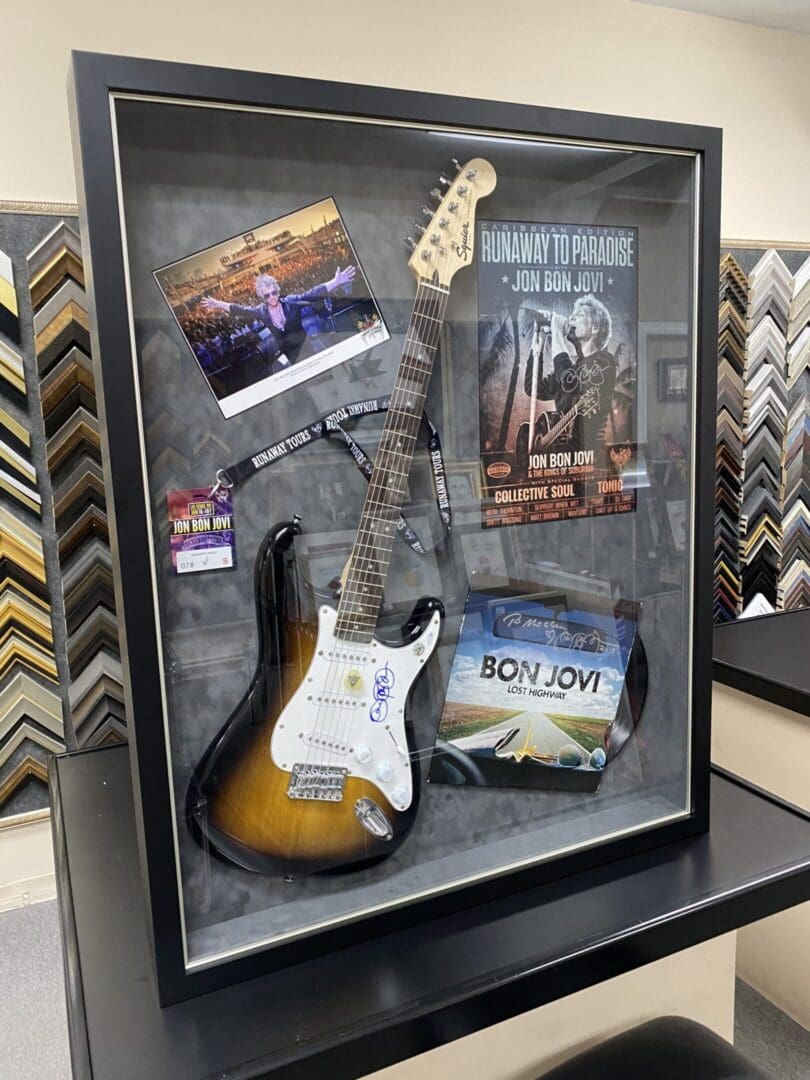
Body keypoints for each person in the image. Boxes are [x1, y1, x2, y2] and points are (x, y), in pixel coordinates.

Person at [201, 265, 356, 369]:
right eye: (267, 295)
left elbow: (311, 294)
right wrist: (217, 303)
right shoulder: (260, 311)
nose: (272, 297)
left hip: (305, 345)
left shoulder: (290, 302)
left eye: (274, 292)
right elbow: (239, 309)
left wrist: (335, 282)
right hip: (288, 351)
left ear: (277, 290)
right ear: (262, 296)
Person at [525, 294, 617, 449]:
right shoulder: (572, 369)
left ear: (594, 327)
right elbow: (533, 389)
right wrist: (538, 347)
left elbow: (571, 384)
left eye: (579, 315)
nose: (572, 317)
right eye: (573, 314)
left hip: (590, 461)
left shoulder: (605, 361)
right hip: (561, 461)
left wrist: (556, 331)